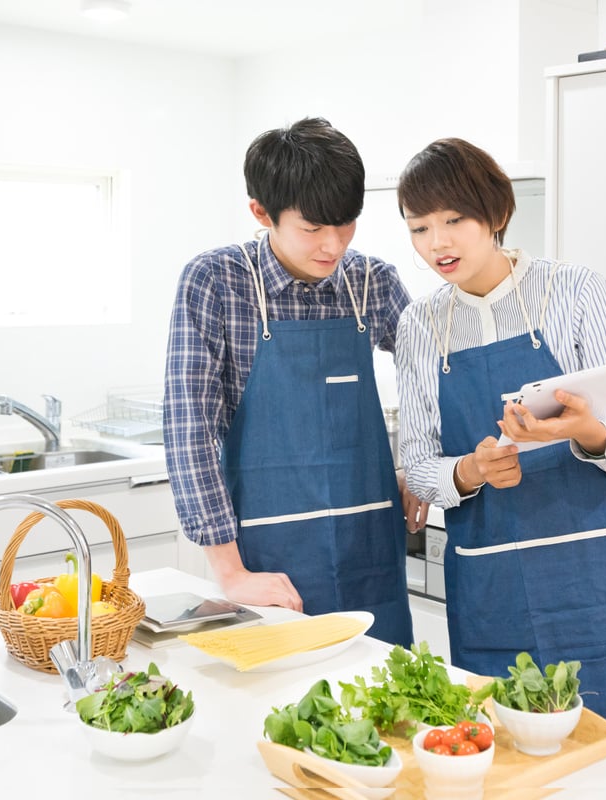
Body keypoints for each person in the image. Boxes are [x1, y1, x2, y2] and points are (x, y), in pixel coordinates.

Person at [393, 137, 606, 747]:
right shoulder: (419, 325)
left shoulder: (576, 291)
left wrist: (582, 430)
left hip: (599, 582)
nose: (438, 244)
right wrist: (470, 472)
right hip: (493, 592)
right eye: (420, 228)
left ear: (496, 215)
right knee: (509, 770)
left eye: (455, 220)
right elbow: (416, 466)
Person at [162, 117, 426, 647]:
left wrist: (415, 464)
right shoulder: (216, 281)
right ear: (262, 212)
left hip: (368, 550)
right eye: (312, 228)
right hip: (263, 559)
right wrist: (232, 573)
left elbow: (435, 376)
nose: (333, 245)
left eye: (346, 223)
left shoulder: (372, 282)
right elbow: (188, 430)